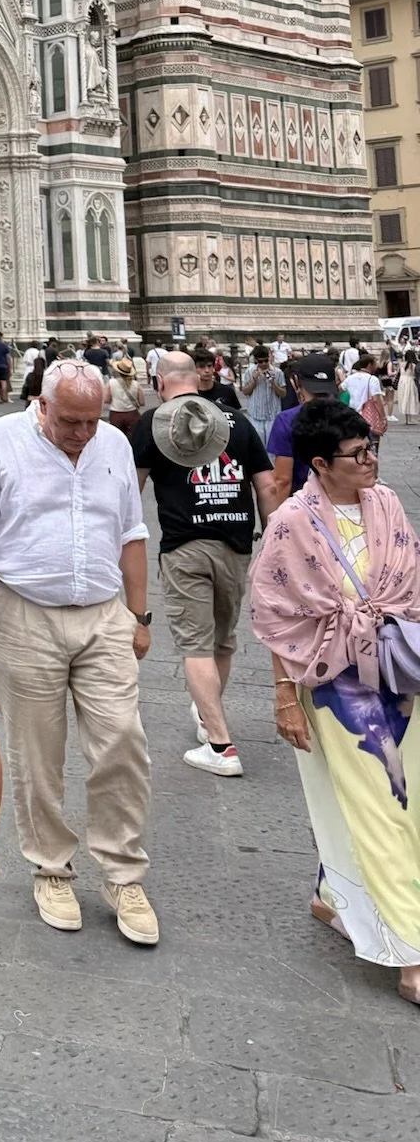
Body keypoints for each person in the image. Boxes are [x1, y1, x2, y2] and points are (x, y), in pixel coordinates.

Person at [0, 360, 160, 945]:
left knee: (122, 739)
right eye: (71, 420)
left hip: (102, 615)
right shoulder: (0, 442)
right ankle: (52, 867)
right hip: (25, 616)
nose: (83, 433)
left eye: (92, 421)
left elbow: (132, 534)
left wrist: (139, 617)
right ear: (40, 403)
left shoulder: (112, 441)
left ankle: (122, 872)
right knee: (37, 751)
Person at [250, 401, 420, 1005]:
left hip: (398, 675)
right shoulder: (292, 522)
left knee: (407, 799)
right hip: (331, 680)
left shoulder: (388, 504)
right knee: (385, 803)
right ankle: (410, 952)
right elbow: (276, 615)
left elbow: (410, 585)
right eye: (358, 454)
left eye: (373, 446)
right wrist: (284, 699)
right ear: (320, 464)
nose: (371, 460)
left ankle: (332, 895)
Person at [131, 357, 275, 776]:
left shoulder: (154, 422)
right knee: (222, 641)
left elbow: (130, 487)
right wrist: (273, 542)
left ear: (161, 382)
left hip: (184, 546)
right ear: (198, 380)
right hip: (236, 544)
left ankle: (220, 744)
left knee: (195, 645)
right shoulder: (236, 420)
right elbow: (266, 485)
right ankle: (207, 713)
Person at [267, 354, 340, 507]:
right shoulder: (350, 417)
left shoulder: (286, 420)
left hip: (301, 508)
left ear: (295, 382)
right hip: (342, 507)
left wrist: (273, 520)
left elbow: (282, 479)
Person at [240, 346, 286, 436]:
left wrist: (273, 383)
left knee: (272, 446)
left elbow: (283, 394)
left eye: (266, 360)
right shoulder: (249, 372)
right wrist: (254, 381)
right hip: (255, 415)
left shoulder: (278, 372)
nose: (264, 363)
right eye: (261, 361)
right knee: (259, 446)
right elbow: (245, 392)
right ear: (256, 361)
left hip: (273, 415)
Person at [194, 347, 241, 412]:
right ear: (194, 369)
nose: (207, 370)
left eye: (209, 366)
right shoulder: (190, 395)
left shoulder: (228, 392)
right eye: (202, 366)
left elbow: (237, 416)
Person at [105, 357, 142, 435]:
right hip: (132, 414)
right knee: (133, 437)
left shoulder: (111, 383)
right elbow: (142, 402)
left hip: (116, 414)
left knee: (117, 437)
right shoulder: (136, 384)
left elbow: (106, 400)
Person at [394, 350, 420, 427]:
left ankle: (407, 419)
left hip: (402, 382)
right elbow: (415, 375)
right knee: (410, 399)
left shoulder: (401, 364)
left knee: (404, 398)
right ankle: (410, 419)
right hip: (410, 382)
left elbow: (398, 373)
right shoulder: (413, 365)